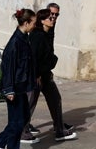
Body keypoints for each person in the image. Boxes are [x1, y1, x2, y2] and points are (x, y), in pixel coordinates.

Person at [0, 8, 37, 149]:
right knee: (17, 121)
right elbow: (8, 67)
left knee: (23, 117)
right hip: (14, 88)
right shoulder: (15, 43)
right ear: (26, 23)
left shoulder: (24, 38)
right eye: (33, 23)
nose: (34, 26)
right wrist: (8, 89)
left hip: (21, 86)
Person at [29, 8, 76, 140]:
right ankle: (22, 132)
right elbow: (34, 56)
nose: (53, 19)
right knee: (30, 104)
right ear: (42, 21)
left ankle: (60, 131)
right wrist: (37, 74)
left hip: (45, 74)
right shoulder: (37, 35)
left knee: (55, 100)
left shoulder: (47, 33)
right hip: (37, 76)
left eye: (55, 16)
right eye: (51, 17)